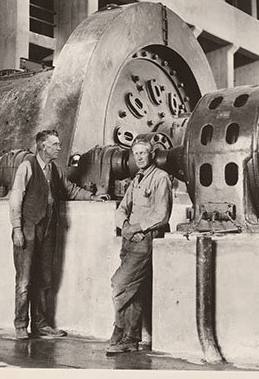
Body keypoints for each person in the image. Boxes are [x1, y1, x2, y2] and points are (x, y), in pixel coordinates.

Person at [9, 129, 110, 340]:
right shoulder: (26, 166)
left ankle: (41, 325)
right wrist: (17, 229)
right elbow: (15, 199)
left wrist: (92, 197)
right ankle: (20, 326)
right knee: (24, 281)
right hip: (27, 229)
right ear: (43, 146)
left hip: (48, 228)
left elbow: (70, 189)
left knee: (44, 280)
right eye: (55, 144)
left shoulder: (54, 169)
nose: (59, 148)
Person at [106, 134, 172, 354]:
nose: (140, 157)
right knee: (134, 291)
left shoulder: (160, 178)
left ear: (151, 154)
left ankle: (119, 329)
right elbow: (122, 208)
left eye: (143, 153)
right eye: (136, 154)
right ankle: (131, 340)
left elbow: (161, 215)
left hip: (146, 241)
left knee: (119, 284)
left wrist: (135, 229)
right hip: (129, 241)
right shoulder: (137, 179)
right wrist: (124, 225)